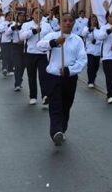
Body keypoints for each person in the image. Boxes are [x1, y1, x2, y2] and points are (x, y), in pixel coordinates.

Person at [37, 13, 87, 146]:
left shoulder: (78, 40)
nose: (68, 23)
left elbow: (82, 60)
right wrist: (54, 43)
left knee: (66, 105)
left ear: (74, 23)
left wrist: (70, 70)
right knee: (55, 106)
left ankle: (62, 129)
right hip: (54, 78)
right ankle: (55, 132)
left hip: (69, 78)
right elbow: (40, 45)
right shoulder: (53, 36)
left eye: (70, 20)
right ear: (60, 23)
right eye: (64, 20)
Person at [20, 8, 51, 105]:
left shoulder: (47, 25)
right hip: (31, 53)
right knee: (31, 76)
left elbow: (51, 37)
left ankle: (45, 96)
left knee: (43, 76)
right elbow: (22, 36)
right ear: (32, 14)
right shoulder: (26, 25)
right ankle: (33, 96)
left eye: (40, 13)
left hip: (42, 54)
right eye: (36, 13)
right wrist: (34, 31)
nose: (39, 15)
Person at [7, 10, 27, 91]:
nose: (22, 18)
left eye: (23, 16)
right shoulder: (13, 24)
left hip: (25, 47)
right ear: (17, 17)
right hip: (15, 47)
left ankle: (20, 80)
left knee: (23, 66)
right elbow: (7, 33)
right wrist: (13, 28)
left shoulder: (27, 25)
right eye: (20, 16)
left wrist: (23, 40)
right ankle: (17, 83)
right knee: (18, 65)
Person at [82, 15, 104, 88]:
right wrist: (89, 30)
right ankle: (90, 81)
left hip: (97, 51)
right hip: (89, 51)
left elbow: (101, 40)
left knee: (96, 66)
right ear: (90, 21)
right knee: (90, 66)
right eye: (92, 20)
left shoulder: (99, 30)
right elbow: (83, 34)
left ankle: (93, 78)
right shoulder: (86, 28)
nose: (94, 22)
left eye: (95, 20)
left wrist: (96, 42)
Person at [0, 11, 14, 77]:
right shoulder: (3, 23)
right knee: (5, 55)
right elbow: (1, 30)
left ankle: (10, 69)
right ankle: (4, 68)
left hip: (12, 41)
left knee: (11, 56)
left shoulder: (14, 23)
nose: (10, 17)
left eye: (11, 16)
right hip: (4, 41)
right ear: (6, 17)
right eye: (9, 16)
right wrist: (8, 26)